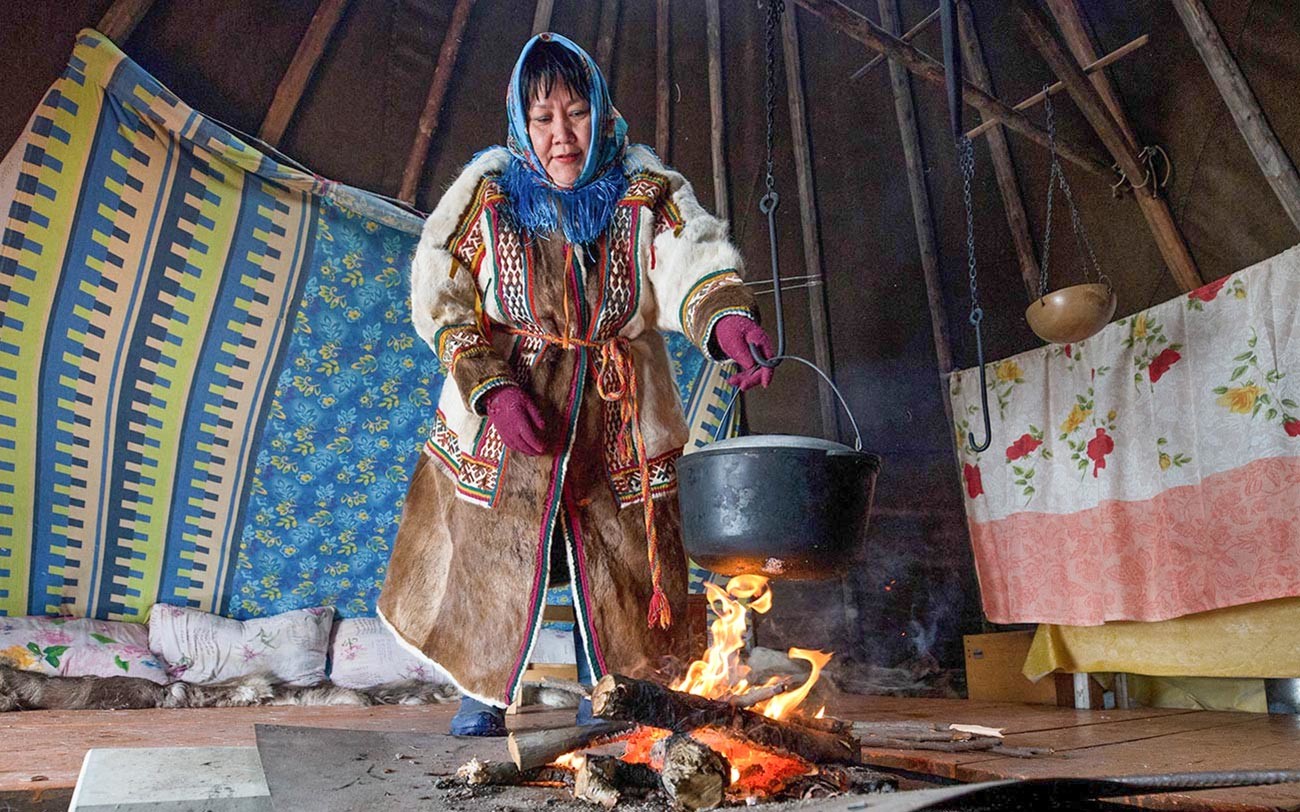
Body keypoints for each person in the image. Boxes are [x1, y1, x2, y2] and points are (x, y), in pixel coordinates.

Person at [377, 32, 775, 736]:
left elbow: (690, 254)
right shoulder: (489, 190)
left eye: (576, 112)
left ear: (601, 109)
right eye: (543, 118)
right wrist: (489, 387)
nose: (561, 136)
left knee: (628, 545)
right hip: (512, 398)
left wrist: (724, 318)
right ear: (522, 124)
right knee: (487, 536)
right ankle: (483, 685)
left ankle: (629, 691)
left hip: (620, 404)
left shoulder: (645, 186)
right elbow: (437, 287)